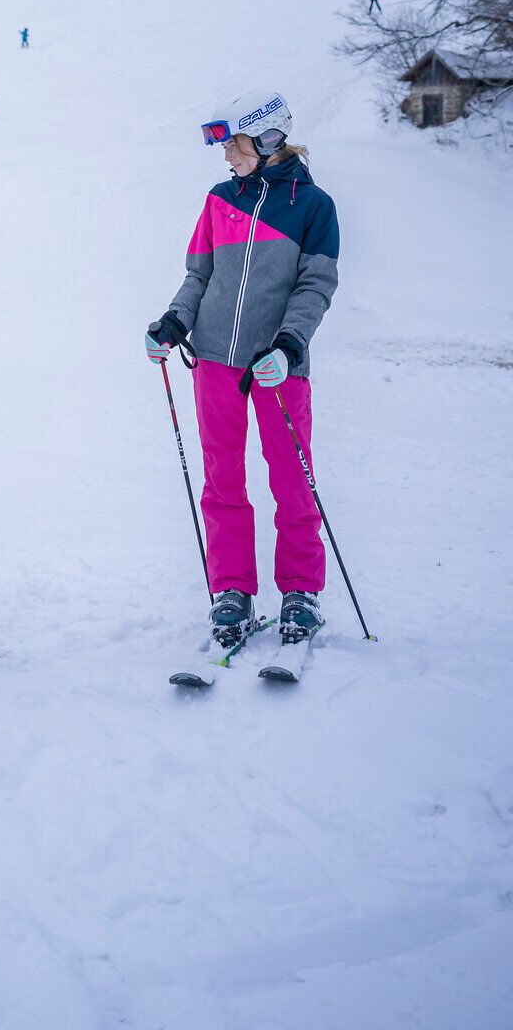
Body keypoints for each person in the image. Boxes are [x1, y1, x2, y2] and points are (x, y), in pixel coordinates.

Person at [145, 91, 339, 654]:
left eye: (234, 143)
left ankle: (301, 591)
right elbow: (198, 275)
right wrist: (174, 322)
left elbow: (316, 285)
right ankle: (232, 587)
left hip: (276, 364)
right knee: (222, 478)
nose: (226, 154)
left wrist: (290, 343)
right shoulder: (219, 199)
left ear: (269, 139)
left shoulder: (313, 206)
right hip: (213, 360)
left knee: (291, 477)